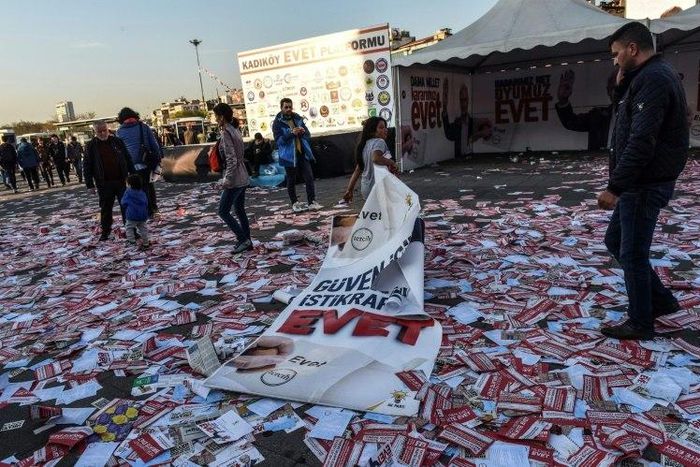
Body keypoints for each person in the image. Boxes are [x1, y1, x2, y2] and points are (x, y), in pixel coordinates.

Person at [598, 22, 689, 340]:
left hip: (643, 183)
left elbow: (642, 139)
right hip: (641, 180)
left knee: (633, 253)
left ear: (632, 49)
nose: (615, 60)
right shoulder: (646, 76)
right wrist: (622, 85)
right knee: (614, 242)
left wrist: (615, 187)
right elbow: (626, 117)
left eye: (616, 54)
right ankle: (661, 301)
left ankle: (641, 321)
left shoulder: (654, 79)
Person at [84, 121, 135, 241]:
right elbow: (87, 165)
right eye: (99, 131)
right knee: (106, 208)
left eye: (104, 130)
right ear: (94, 132)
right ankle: (105, 232)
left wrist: (133, 175)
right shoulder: (91, 146)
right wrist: (89, 185)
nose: (102, 133)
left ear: (108, 129)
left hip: (121, 180)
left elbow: (127, 158)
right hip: (104, 183)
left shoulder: (117, 141)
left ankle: (131, 231)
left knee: (126, 207)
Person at [213, 103, 252, 254]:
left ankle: (243, 239)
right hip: (242, 175)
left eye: (216, 116)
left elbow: (231, 159)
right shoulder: (235, 129)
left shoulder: (226, 133)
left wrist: (227, 180)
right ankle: (247, 240)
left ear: (221, 116)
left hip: (234, 178)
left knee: (223, 211)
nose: (215, 119)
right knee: (240, 210)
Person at [272, 98, 321, 212]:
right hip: (288, 156)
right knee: (291, 180)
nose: (289, 109)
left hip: (301, 153)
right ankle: (294, 202)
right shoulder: (277, 122)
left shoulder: (297, 118)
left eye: (290, 106)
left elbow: (308, 134)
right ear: (281, 108)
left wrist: (303, 132)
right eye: (286, 107)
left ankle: (312, 201)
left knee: (309, 177)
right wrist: (291, 133)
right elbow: (279, 141)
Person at [115, 107, 162, 217]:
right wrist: (158, 158)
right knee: (148, 185)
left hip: (130, 165)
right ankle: (152, 209)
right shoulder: (143, 127)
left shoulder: (120, 131)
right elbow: (154, 144)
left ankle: (142, 209)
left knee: (136, 188)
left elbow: (119, 151)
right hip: (145, 162)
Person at [555, 69, 617, 151]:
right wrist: (563, 99)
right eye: (614, 88)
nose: (618, 92)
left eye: (622, 87)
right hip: (601, 162)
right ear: (608, 90)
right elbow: (570, 122)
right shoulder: (598, 115)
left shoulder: (636, 114)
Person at [343, 117, 397, 202]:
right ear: (372, 131)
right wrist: (392, 162)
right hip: (378, 188)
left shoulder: (365, 145)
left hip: (366, 189)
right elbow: (376, 158)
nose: (385, 130)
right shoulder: (380, 142)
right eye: (381, 127)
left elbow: (357, 171)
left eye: (385, 127)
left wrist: (349, 190)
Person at [441, 80, 493, 159]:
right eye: (461, 100)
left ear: (468, 100)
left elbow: (483, 135)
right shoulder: (457, 123)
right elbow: (448, 133)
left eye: (465, 100)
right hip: (459, 158)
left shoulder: (473, 122)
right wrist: (444, 107)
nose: (463, 104)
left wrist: (481, 132)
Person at [121, 173, 150, 248]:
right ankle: (146, 242)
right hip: (142, 214)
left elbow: (123, 202)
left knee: (129, 227)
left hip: (132, 214)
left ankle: (132, 241)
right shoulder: (142, 193)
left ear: (130, 184)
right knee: (143, 228)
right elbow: (146, 202)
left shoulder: (128, 192)